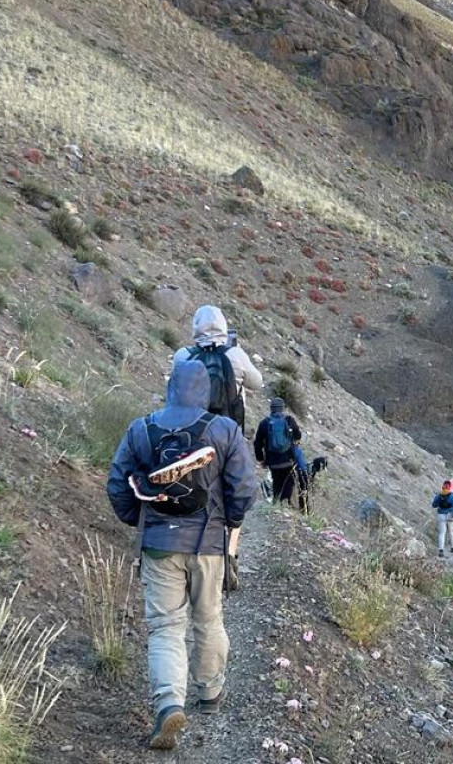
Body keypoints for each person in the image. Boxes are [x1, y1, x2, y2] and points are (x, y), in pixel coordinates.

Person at [107, 358, 259, 751]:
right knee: (209, 619)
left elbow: (117, 485)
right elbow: (243, 486)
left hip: (159, 545)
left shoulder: (141, 429)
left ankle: (169, 704)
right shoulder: (224, 429)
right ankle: (209, 692)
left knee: (165, 628)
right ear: (207, 391)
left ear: (170, 386)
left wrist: (138, 519)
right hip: (209, 545)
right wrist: (231, 521)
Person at [179, 304, 264, 432]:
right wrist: (239, 352)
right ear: (223, 325)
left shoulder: (182, 355)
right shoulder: (235, 354)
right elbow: (257, 383)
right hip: (227, 429)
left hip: (190, 427)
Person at [254, 395, 303, 506]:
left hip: (273, 462)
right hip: (288, 459)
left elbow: (257, 444)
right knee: (289, 482)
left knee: (277, 482)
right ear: (282, 408)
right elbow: (298, 435)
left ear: (271, 408)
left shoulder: (264, 423)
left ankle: (276, 503)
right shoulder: (289, 420)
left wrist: (261, 459)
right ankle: (285, 504)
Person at [432, 479, 453, 555]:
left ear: (443, 486)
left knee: (442, 533)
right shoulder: (451, 496)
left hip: (441, 515)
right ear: (449, 487)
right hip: (450, 516)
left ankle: (441, 550)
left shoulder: (439, 495)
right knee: (451, 532)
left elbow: (433, 505)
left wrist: (439, 504)